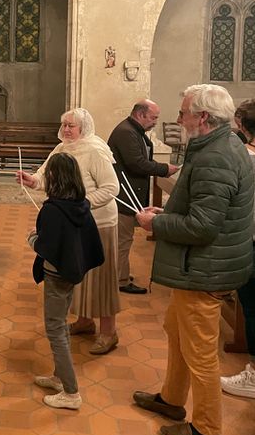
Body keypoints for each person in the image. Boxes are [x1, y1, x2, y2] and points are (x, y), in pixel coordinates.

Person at [133, 84, 254, 435]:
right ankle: (171, 399)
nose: (179, 117)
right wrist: (166, 213)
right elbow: (200, 209)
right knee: (177, 332)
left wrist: (156, 223)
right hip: (199, 268)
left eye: (184, 111)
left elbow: (203, 226)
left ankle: (206, 428)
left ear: (202, 117)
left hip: (204, 270)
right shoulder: (217, 146)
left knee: (201, 353)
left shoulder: (216, 156)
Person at [18, 108, 121, 355]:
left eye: (71, 126)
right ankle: (85, 321)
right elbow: (47, 176)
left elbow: (111, 187)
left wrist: (82, 204)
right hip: (72, 221)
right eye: (63, 124)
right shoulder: (62, 148)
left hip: (99, 222)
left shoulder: (95, 150)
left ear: (83, 128)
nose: (65, 130)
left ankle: (109, 333)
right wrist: (33, 181)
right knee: (78, 273)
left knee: (101, 278)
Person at [28, 153, 104, 409]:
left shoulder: (53, 209)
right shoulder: (79, 203)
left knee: (55, 328)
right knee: (60, 325)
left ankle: (71, 393)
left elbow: (46, 246)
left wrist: (33, 239)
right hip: (70, 273)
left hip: (57, 274)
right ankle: (59, 378)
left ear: (53, 177)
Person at [108, 99, 179, 294]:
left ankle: (120, 273)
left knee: (124, 239)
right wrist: (164, 169)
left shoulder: (133, 131)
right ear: (140, 114)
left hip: (129, 192)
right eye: (153, 117)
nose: (156, 121)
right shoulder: (126, 132)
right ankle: (119, 280)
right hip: (123, 194)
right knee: (122, 240)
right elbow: (137, 163)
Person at [220, 99, 255, 399]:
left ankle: (254, 376)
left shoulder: (245, 157)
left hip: (250, 238)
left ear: (242, 126)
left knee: (252, 304)